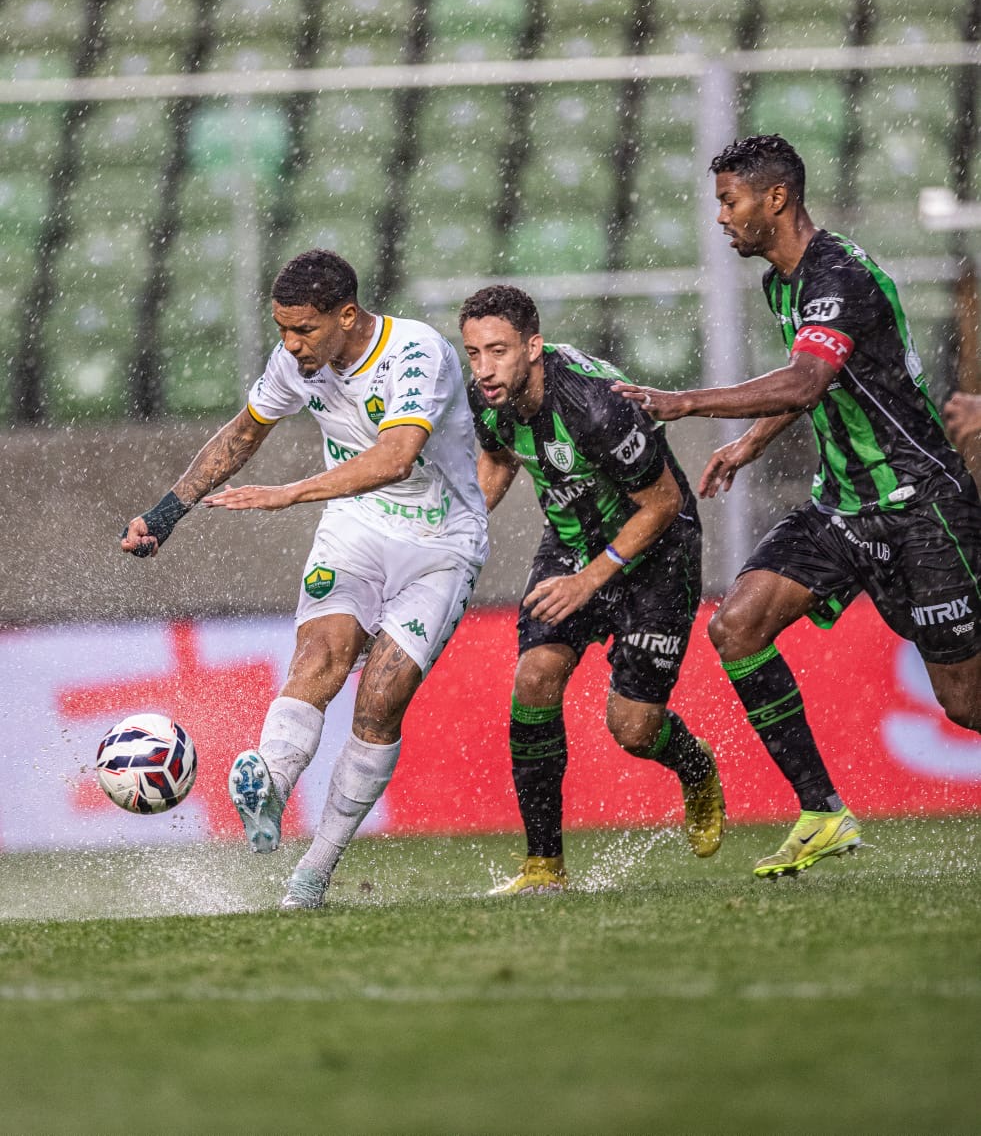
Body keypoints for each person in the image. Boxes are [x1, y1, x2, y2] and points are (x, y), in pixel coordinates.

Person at [615, 134, 981, 878]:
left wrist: (683, 402)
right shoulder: (780, 284)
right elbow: (814, 378)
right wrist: (750, 442)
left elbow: (807, 380)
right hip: (841, 506)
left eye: (730, 201)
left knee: (965, 703)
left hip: (920, 503)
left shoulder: (837, 274)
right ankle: (822, 812)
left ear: (775, 198)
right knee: (737, 625)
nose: (721, 217)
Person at [122, 249, 488, 908]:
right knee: (319, 655)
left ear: (346, 315)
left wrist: (289, 493)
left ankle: (314, 872)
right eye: (281, 329)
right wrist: (167, 513)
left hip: (440, 542)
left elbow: (396, 458)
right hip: (355, 525)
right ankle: (270, 782)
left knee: (380, 700)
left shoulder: (415, 353)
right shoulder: (296, 360)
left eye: (303, 330)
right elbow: (242, 434)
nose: (290, 345)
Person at [459, 284, 725, 896]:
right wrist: (459, 529)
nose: (484, 369)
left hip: (658, 551)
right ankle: (543, 867)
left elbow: (663, 503)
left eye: (498, 351)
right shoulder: (488, 397)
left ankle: (693, 765)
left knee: (633, 728)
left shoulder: (596, 406)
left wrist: (589, 580)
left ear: (533, 347)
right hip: (571, 543)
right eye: (473, 354)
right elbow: (497, 458)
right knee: (534, 678)